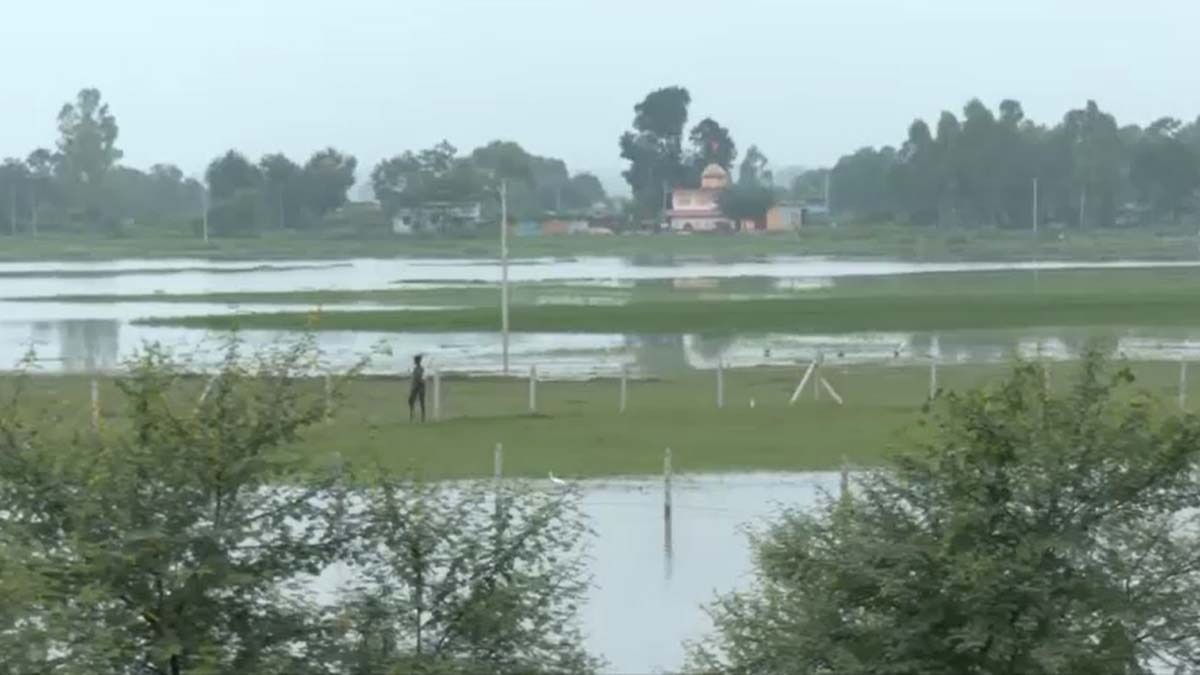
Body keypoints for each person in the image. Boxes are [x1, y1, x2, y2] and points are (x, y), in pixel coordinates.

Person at [408, 354, 426, 422]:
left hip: (419, 387)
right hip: (416, 386)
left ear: (418, 361)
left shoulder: (420, 369)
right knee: (411, 401)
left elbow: (418, 378)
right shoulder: (416, 369)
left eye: (415, 360)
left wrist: (419, 383)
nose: (414, 361)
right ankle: (413, 415)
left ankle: (422, 417)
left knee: (421, 402)